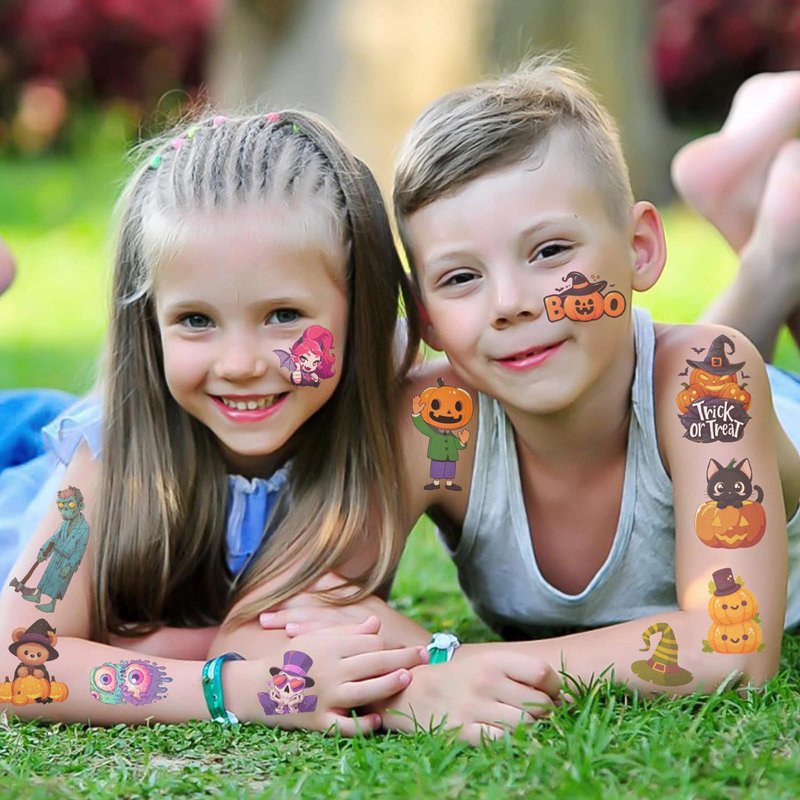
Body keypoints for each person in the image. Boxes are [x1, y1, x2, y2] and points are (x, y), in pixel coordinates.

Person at [259, 61, 800, 739]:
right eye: (461, 277)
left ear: (638, 249)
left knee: (711, 364)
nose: (510, 303)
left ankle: (778, 248)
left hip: (739, 412)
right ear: (426, 317)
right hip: (658, 382)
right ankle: (776, 238)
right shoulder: (437, 422)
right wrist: (425, 669)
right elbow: (288, 607)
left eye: (549, 251)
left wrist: (458, 663)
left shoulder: (708, 381)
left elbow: (734, 647)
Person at [0, 111, 434, 730]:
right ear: (149, 325)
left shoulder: (400, 426)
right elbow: (18, 667)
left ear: (358, 308)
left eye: (283, 315)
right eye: (196, 320)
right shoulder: (106, 458)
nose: (239, 365)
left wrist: (149, 647)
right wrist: (243, 683)